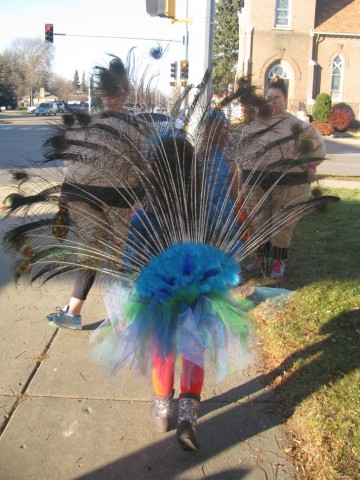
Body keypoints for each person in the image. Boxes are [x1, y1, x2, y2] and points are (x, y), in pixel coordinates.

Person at [89, 133, 251, 452]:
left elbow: (131, 260)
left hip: (158, 295)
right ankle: (188, 415)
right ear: (193, 171)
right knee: (195, 348)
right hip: (199, 292)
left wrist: (129, 291)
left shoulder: (145, 214)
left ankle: (163, 408)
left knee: (162, 349)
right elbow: (229, 244)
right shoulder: (207, 208)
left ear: (156, 172)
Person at [46, 56, 142, 329]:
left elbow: (71, 162)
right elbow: (141, 165)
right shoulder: (134, 126)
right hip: (118, 197)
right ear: (125, 93)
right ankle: (124, 317)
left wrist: (65, 197)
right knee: (121, 256)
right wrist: (140, 198)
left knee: (90, 253)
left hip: (82, 195)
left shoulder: (82, 124)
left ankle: (74, 312)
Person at [238, 76, 326, 279]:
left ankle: (277, 261)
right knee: (258, 219)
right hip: (256, 179)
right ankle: (260, 257)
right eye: (269, 97)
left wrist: (311, 165)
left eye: (276, 97)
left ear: (285, 98)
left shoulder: (298, 126)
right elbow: (243, 151)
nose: (272, 101)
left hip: (289, 181)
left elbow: (315, 144)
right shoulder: (254, 126)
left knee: (282, 221)